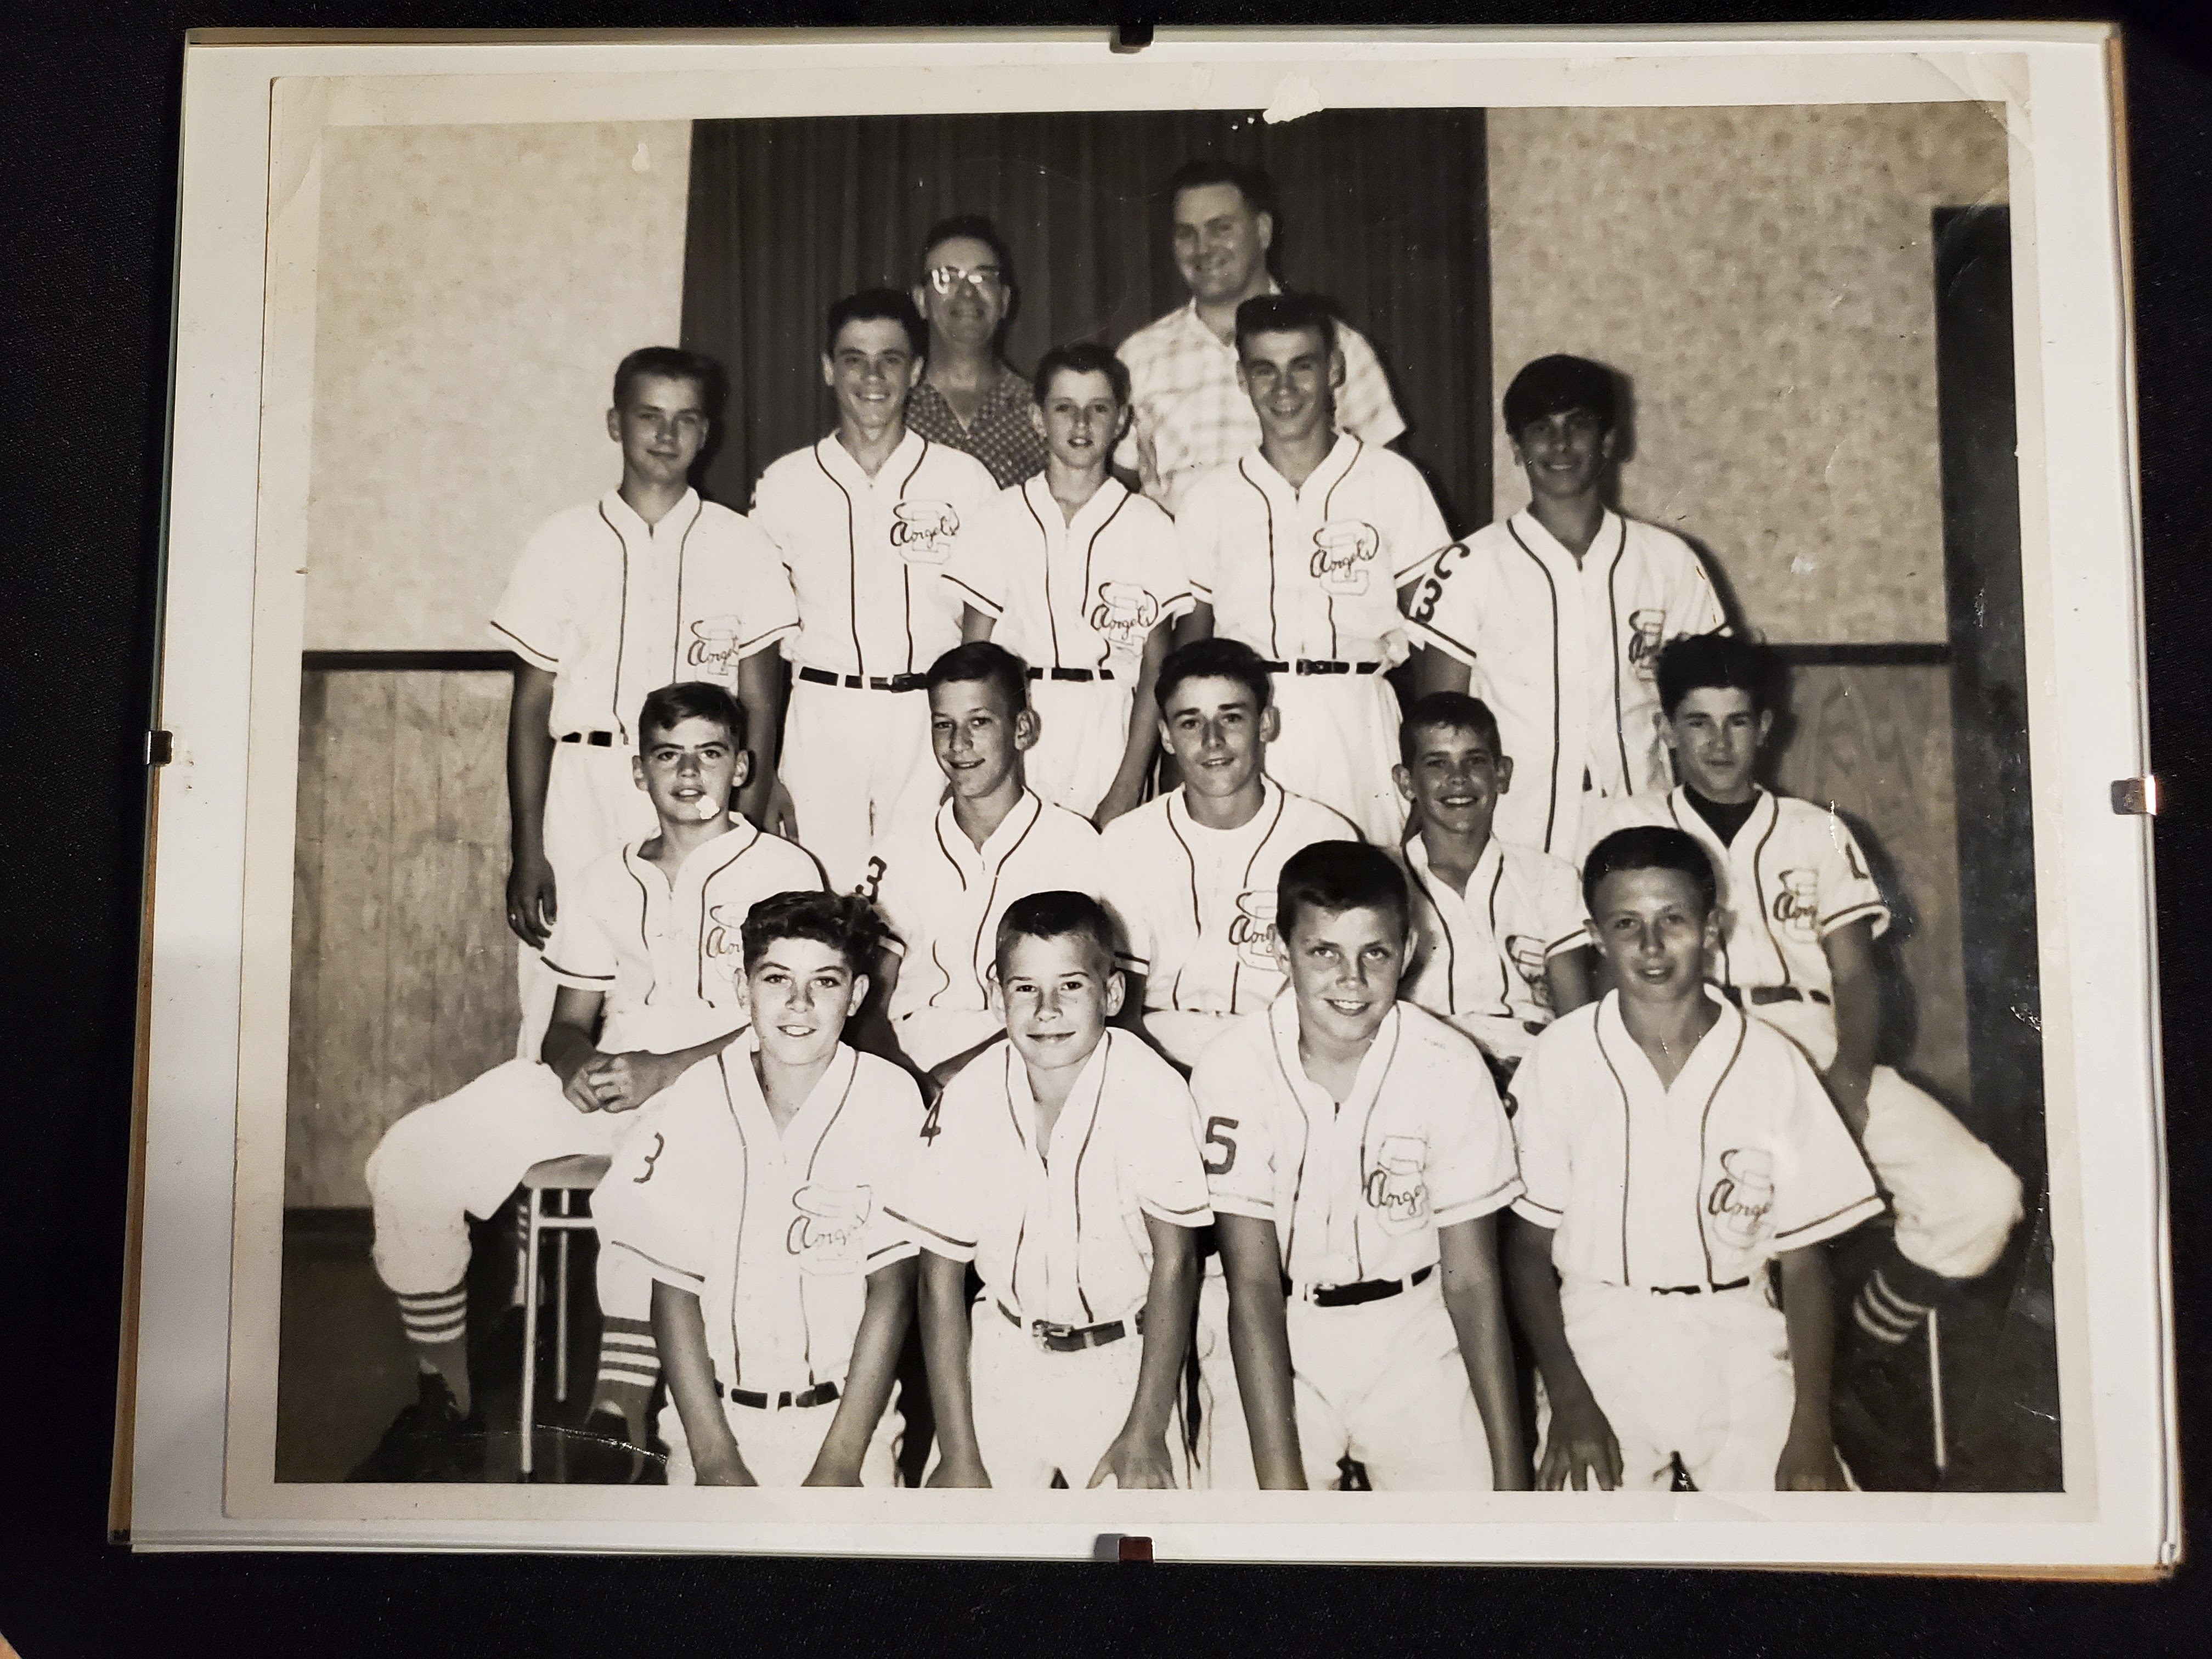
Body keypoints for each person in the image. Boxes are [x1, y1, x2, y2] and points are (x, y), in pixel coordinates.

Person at [351, 682, 826, 1482]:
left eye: (710, 753)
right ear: (638, 772)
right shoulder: (605, 875)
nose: (689, 773)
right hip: (617, 1071)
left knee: (650, 1180)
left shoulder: (782, 867)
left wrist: (662, 1071)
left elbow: (797, 1022)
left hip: (731, 1078)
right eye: (668, 756)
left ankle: (621, 1411)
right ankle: (447, 1399)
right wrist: (578, 1069)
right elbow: (567, 1024)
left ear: (742, 767)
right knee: (410, 1157)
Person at [1579, 633, 2024, 1398]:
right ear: (1666, 730)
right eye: (1697, 723)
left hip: (1814, 1048)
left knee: (1983, 1195)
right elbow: (1596, 966)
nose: (1719, 743)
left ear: (1769, 728)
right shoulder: (1626, 822)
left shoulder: (1815, 829)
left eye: (1737, 722)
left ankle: (1852, 1352)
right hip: (1690, 1048)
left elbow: (1856, 974)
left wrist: (1850, 1079)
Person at [1504, 825, 1884, 1491]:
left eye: (1674, 920)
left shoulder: (1771, 1062)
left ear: (1713, 929)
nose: (1651, 947)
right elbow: (1527, 1252)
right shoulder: (1561, 1057)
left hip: (1736, 1334)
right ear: (1594, 934)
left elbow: (1803, 1263)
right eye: (1626, 923)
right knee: (1573, 1551)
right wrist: (1566, 1398)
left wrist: (1811, 1426)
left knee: (1813, 1530)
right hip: (1601, 1339)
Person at [1197, 840, 1531, 1491]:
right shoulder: (1233, 1066)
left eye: (1374, 953)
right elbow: (1254, 1286)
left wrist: (1510, 1477)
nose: (1351, 981)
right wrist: (1280, 1486)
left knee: (1469, 1547)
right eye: (1323, 953)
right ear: (1279, 948)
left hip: (1412, 1331)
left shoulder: (1449, 1063)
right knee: (1255, 1551)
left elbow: (1471, 1282)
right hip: (1278, 1328)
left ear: (1407, 952)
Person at [494, 346, 798, 1057]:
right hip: (585, 787)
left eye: (686, 419)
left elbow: (759, 697)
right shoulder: (561, 541)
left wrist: (744, 827)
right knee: (556, 988)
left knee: (694, 979)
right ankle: (548, 1138)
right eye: (649, 416)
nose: (667, 435)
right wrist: (527, 846)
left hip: (698, 790)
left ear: (707, 433)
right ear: (615, 423)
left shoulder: (742, 544)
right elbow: (531, 704)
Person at [591, 890, 923, 1486]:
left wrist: (842, 1461)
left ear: (858, 996)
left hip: (848, 1424)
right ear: (744, 989)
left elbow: (892, 1293)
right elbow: (672, 1293)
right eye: (776, 979)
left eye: (825, 982)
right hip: (711, 1420)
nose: (799, 1004)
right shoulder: (697, 1095)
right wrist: (715, 1458)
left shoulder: (889, 1097)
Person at [888, 891, 1211, 1489]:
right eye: (1025, 988)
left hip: (1125, 1356)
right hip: (1005, 1348)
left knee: (1143, 1545)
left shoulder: (1153, 1091)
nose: (1047, 1010)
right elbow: (939, 1279)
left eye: (1070, 986)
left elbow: (1177, 1262)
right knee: (969, 1544)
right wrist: (960, 1451)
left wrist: (1144, 1430)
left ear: (1111, 994)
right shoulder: (971, 1094)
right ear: (996, 995)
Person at [1408, 353, 1727, 859]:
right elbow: (1438, 726)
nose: (1559, 446)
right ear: (1516, 446)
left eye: (1578, 426)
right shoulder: (1470, 565)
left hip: (1645, 819)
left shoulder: (1668, 561)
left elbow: (1714, 710)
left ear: (1608, 440)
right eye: (1540, 429)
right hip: (1513, 832)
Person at [1173, 293, 1452, 844]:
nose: (1284, 389)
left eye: (1302, 366)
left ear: (1334, 369)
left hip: (1358, 719)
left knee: (1365, 897)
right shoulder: (1211, 497)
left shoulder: (1391, 481)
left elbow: (1438, 636)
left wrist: (1432, 758)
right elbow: (1191, 645)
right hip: (1247, 726)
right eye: (1265, 371)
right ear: (1241, 378)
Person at [749, 289, 1003, 890]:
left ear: (916, 370)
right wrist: (765, 773)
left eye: (890, 359)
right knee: (817, 898)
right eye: (854, 358)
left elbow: (988, 622)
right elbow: (755, 636)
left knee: (924, 897)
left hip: (928, 717)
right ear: (828, 368)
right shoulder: (784, 484)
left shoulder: (962, 480)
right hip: (821, 715)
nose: (871, 376)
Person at [948, 342, 1191, 823]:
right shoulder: (998, 518)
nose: (1081, 425)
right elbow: (972, 661)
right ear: (1039, 418)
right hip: (1016, 721)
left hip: (1107, 725)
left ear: (1121, 420)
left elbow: (1154, 669)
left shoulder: (1149, 525)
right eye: (1065, 409)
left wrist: (1125, 788)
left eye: (1098, 409)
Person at [1098, 637, 1358, 1073]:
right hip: (1155, 1055)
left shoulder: (1325, 837)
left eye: (1231, 718)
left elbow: (1331, 999)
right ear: (1165, 735)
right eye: (1190, 723)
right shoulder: (1127, 839)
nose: (1212, 741)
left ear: (1266, 724)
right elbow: (1120, 1009)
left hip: (1282, 1058)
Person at [861, 642, 1105, 1088]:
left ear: (1023, 729)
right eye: (944, 726)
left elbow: (1081, 1003)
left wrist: (962, 1076)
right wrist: (902, 1081)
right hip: (908, 1052)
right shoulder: (900, 848)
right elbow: (869, 1003)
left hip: (1028, 1054)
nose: (959, 745)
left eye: (979, 722)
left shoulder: (1073, 845)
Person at [1114, 159, 1404, 515]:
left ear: (1263, 232)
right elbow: (1117, 487)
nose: (1203, 248)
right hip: (1179, 563)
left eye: (1221, 229)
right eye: (1186, 233)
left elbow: (1388, 484)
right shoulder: (1139, 355)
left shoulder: (1336, 345)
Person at [1392, 691, 1595, 1090]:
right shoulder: (1383, 877)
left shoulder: (1549, 877)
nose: (1458, 779)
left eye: (1475, 761)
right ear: (1406, 782)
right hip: (1420, 1066)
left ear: (1502, 774)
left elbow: (1576, 1020)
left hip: (1531, 1065)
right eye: (1437, 763)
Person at [904, 215, 1048, 488]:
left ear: (1004, 301)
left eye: (982, 277)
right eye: (947, 277)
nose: (967, 292)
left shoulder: (1041, 413)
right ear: (921, 300)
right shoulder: (894, 406)